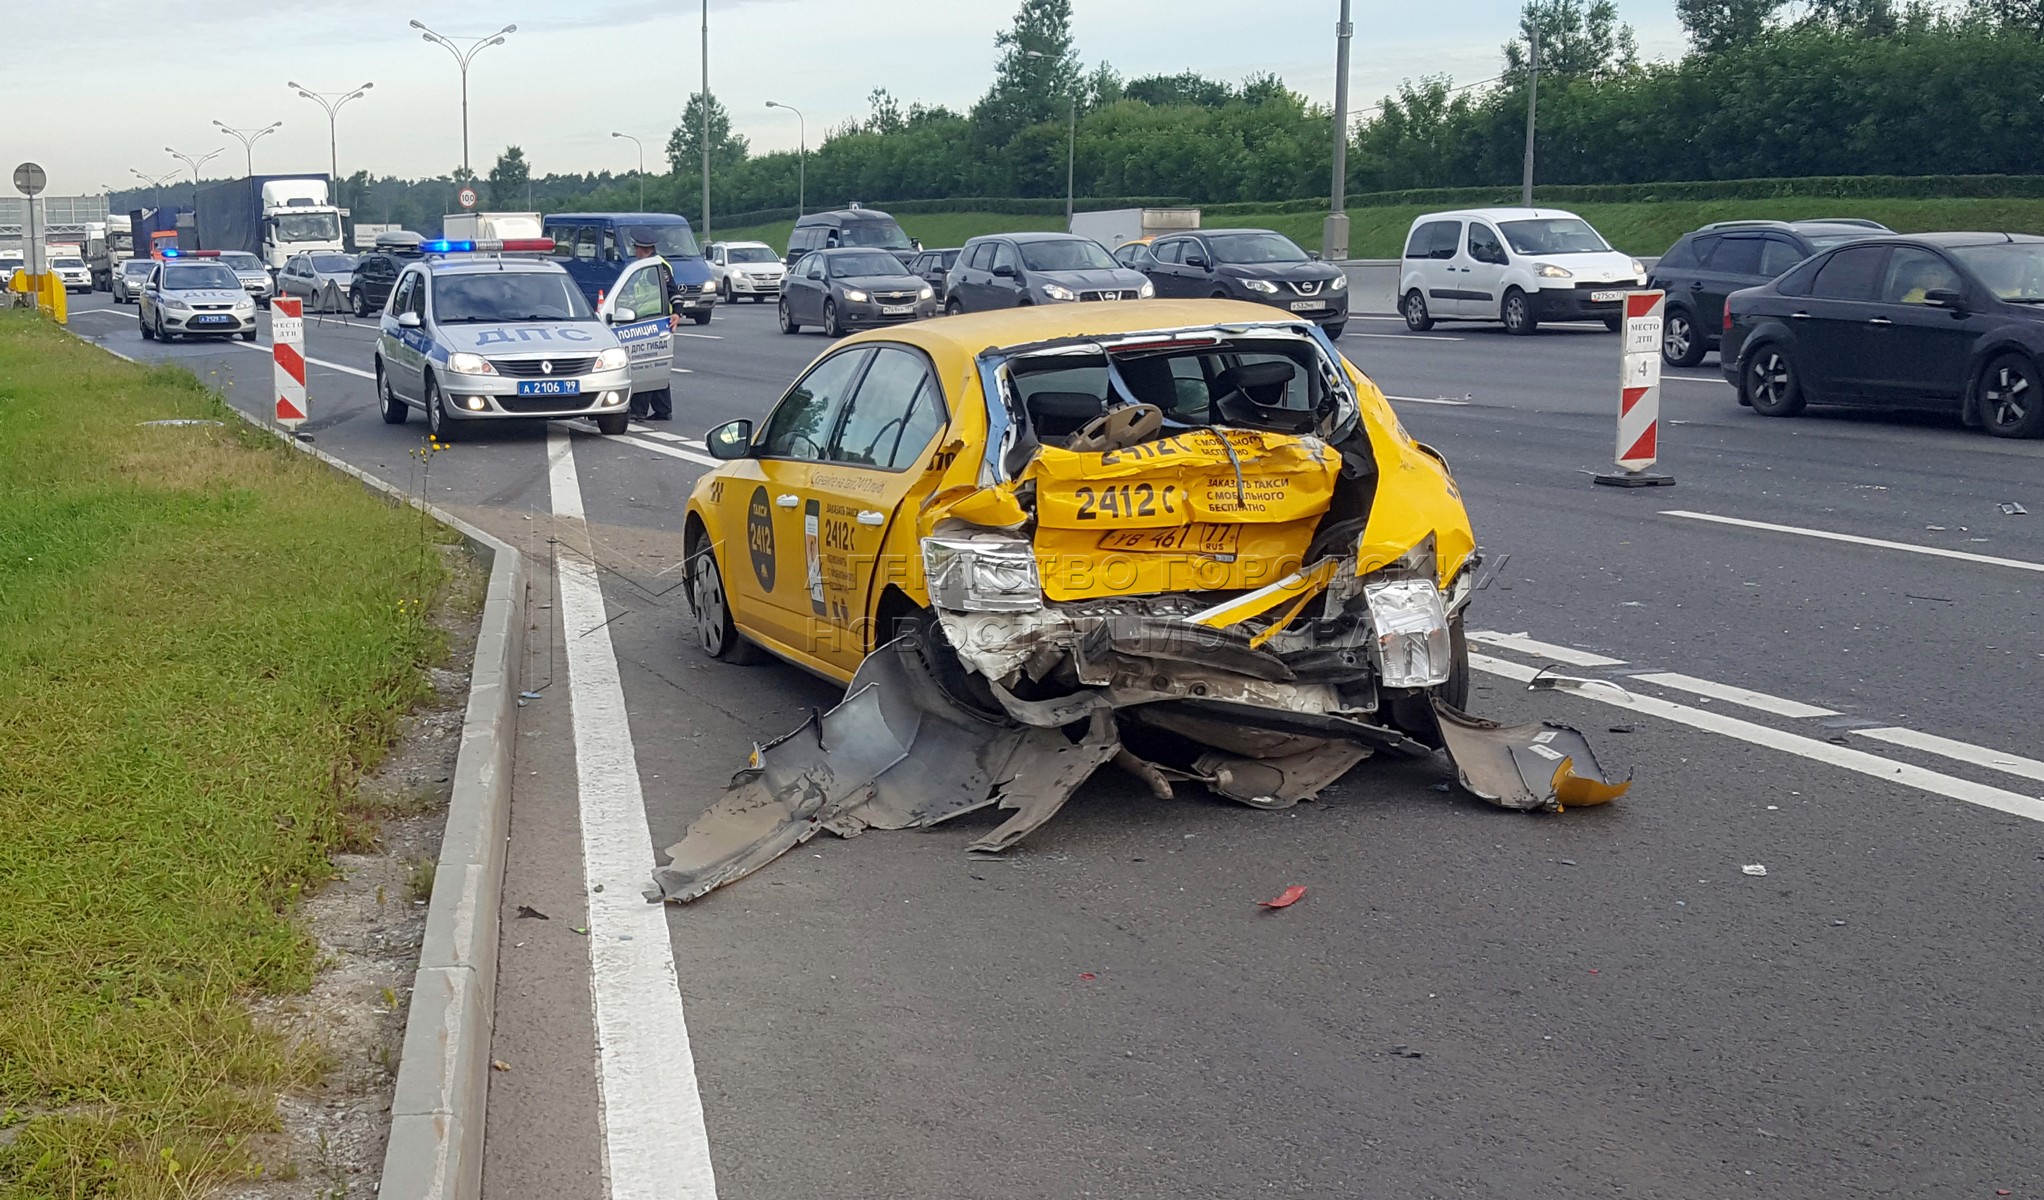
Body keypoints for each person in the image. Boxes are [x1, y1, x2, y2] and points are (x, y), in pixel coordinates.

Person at [626, 228, 680, 421]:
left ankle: (638, 410)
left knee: (644, 365)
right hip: (648, 319)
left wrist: (677, 313)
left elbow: (672, 291)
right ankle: (663, 409)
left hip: (652, 321)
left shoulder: (655, 267)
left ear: (643, 249)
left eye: (636, 248)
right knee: (657, 365)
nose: (634, 251)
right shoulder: (646, 265)